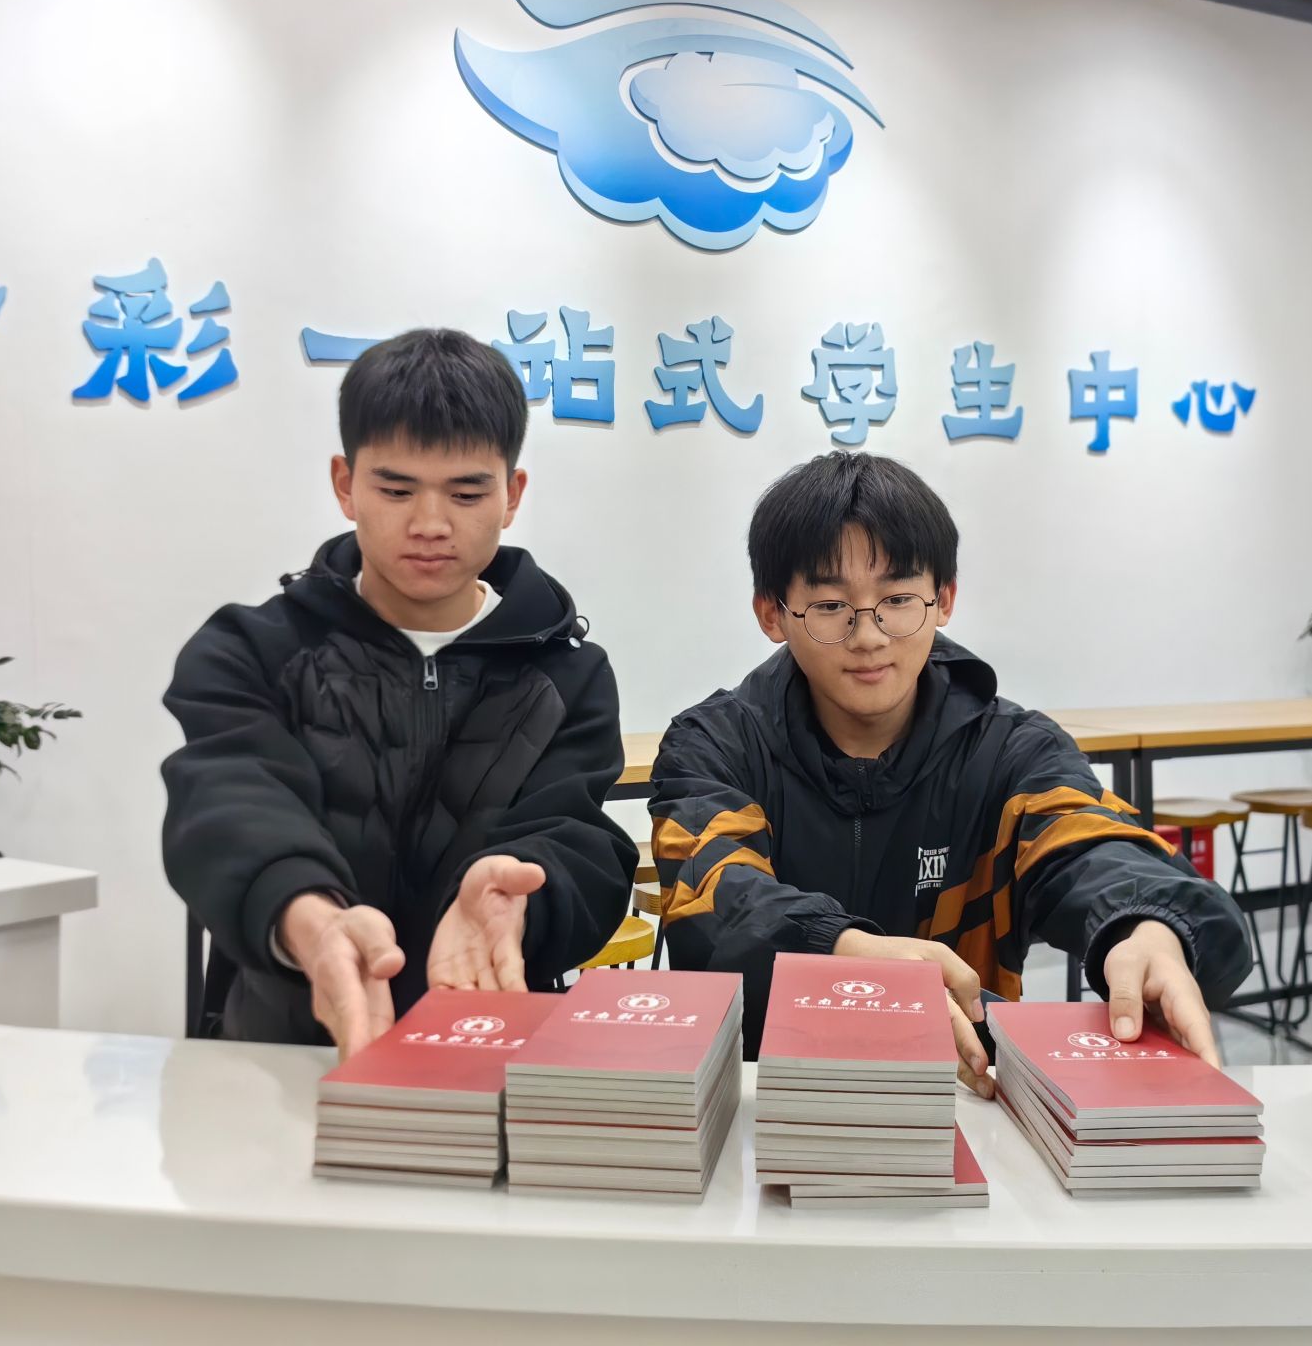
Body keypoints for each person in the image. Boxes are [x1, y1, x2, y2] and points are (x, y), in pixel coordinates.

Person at [650, 451, 1252, 1091]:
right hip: (762, 1098)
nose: (868, 635)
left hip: (969, 1094)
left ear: (944, 599)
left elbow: (1089, 844)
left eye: (897, 599)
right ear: (772, 614)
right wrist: (843, 952)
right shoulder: (714, 746)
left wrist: (1146, 925)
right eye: (829, 605)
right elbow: (715, 902)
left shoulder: (1011, 751)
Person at [162, 328, 634, 1057]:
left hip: (489, 1046)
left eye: (466, 492)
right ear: (345, 484)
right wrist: (313, 922)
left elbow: (576, 837)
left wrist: (519, 901)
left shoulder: (568, 675)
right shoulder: (252, 652)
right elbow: (228, 806)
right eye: (396, 489)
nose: (430, 525)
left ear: (512, 495)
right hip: (284, 1055)